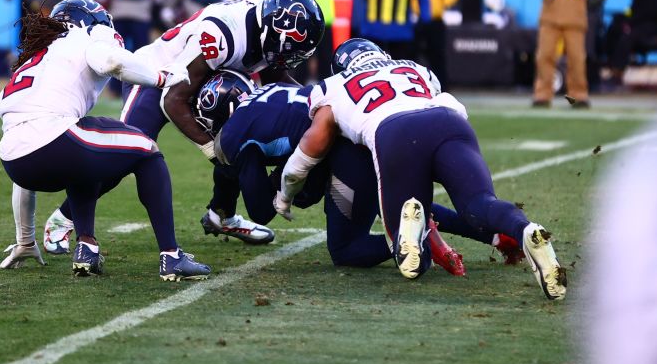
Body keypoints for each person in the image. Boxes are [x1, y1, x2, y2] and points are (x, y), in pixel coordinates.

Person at [276, 38, 566, 300]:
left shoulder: (334, 85)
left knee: (406, 255)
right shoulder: (414, 67)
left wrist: (285, 194)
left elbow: (311, 147)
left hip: (395, 131)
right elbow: (446, 102)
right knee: (480, 203)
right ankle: (525, 229)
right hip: (448, 120)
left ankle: (411, 226)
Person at [42, 0, 326, 254]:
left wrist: (311, 101)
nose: (289, 58)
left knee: (238, 132)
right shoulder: (224, 34)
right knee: (123, 158)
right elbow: (172, 100)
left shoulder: (266, 24)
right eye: (287, 49)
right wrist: (212, 151)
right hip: (157, 80)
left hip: (204, 83)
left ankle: (221, 215)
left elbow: (276, 78)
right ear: (274, 30)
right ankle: (63, 217)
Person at [199, 74, 520, 273]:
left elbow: (261, 211)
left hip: (345, 153)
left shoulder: (233, 134)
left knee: (345, 249)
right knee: (397, 200)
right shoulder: (272, 89)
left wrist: (252, 175)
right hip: (372, 133)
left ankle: (414, 240)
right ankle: (497, 234)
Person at [0, 0, 209, 280]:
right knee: (148, 151)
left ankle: (86, 248)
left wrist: (25, 239)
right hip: (56, 140)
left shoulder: (40, 56)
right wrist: (161, 77)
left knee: (85, 161)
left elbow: (24, 148)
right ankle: (171, 257)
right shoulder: (85, 36)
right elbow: (111, 61)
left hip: (16, 162)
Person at [527, 0, 606, 108]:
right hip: (550, 15)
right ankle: (542, 95)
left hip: (575, 17)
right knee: (544, 56)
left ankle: (578, 96)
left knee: (576, 59)